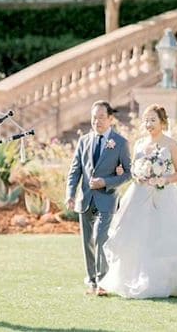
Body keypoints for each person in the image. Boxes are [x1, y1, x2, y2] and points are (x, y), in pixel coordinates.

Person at [99, 104, 177, 298]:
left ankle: (170, 281)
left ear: (162, 121)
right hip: (139, 195)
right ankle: (136, 278)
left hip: (164, 196)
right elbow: (134, 168)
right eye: (146, 120)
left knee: (166, 237)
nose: (148, 124)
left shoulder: (171, 144)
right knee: (136, 236)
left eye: (153, 120)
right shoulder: (140, 143)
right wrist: (138, 175)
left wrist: (163, 179)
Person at [66, 100, 131, 296]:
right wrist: (70, 194)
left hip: (107, 199)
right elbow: (75, 170)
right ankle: (92, 281)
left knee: (100, 238)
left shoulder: (120, 143)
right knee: (87, 242)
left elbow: (128, 173)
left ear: (110, 119)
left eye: (101, 117)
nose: (97, 121)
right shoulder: (84, 140)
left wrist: (106, 182)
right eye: (94, 117)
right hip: (85, 199)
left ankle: (103, 282)